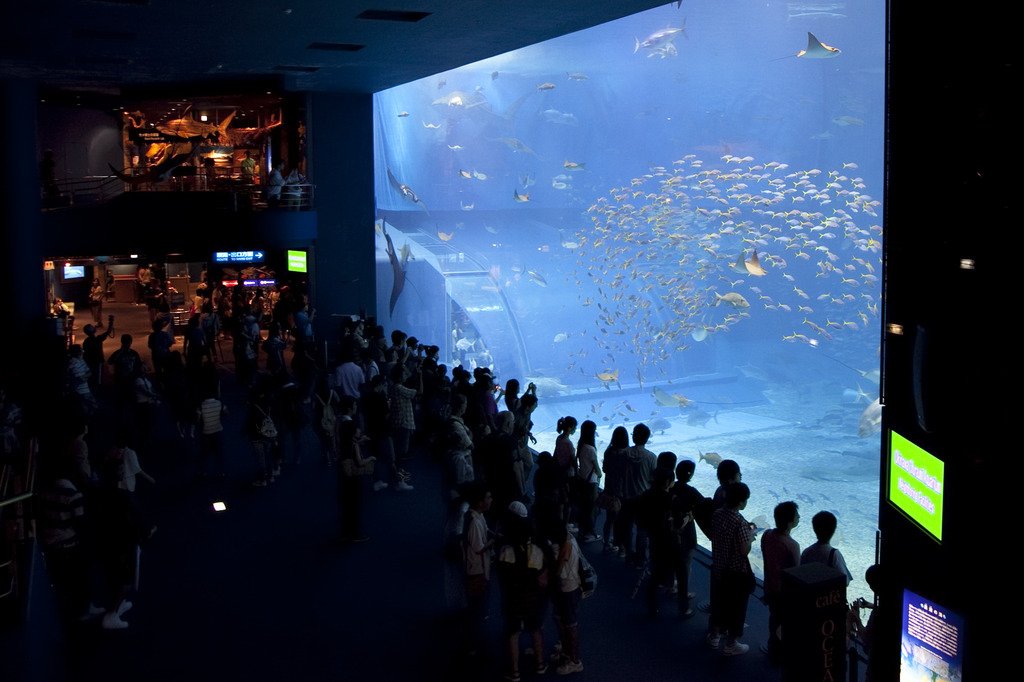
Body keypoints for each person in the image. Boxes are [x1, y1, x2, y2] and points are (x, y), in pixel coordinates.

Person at [497, 502, 549, 681]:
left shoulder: (505, 551)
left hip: (513, 600)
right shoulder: (536, 551)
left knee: (512, 633)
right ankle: (540, 664)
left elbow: (503, 577)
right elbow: (541, 575)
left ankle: (514, 671)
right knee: (536, 630)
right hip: (534, 601)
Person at [707, 482, 754, 656]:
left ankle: (714, 636)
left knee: (719, 603)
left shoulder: (717, 514)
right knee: (736, 607)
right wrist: (750, 538)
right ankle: (731, 644)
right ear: (742, 502)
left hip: (719, 567)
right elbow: (744, 550)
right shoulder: (740, 523)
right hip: (736, 573)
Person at [761, 501, 801, 659]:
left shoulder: (767, 535)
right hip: (785, 593)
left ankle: (773, 644)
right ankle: (779, 651)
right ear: (791, 521)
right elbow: (797, 572)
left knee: (775, 617)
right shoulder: (792, 545)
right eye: (797, 515)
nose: (799, 517)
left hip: (770, 586)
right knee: (785, 622)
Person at [669, 459, 706, 617]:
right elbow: (704, 506)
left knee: (672, 561)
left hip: (670, 533)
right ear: (690, 475)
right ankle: (683, 603)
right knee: (685, 565)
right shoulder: (691, 491)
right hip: (686, 534)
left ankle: (672, 586)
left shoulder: (671, 487)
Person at [461, 482, 493, 657]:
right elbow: (479, 548)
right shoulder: (474, 521)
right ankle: (471, 646)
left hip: (479, 570)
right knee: (475, 609)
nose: (491, 500)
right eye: (488, 497)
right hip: (476, 572)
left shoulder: (477, 516)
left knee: (477, 608)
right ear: (480, 502)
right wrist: (494, 542)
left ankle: (474, 642)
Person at [337, 396, 374, 542]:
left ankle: (347, 532)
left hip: (343, 471)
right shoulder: (353, 442)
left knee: (347, 505)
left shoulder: (340, 423)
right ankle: (355, 533)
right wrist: (371, 458)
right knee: (354, 504)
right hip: (353, 476)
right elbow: (359, 462)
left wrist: (359, 440)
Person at [550, 522, 584, 675]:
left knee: (570, 624)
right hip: (569, 586)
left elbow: (559, 568)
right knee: (560, 619)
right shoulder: (570, 538)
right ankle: (566, 652)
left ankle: (575, 661)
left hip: (568, 587)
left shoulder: (565, 545)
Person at [800, 511, 853, 585]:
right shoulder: (834, 553)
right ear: (834, 530)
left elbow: (801, 575)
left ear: (814, 529)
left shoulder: (806, 552)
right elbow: (845, 581)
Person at [575, 420, 601, 543]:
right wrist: (600, 474)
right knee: (591, 508)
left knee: (583, 507)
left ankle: (582, 531)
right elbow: (596, 468)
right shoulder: (591, 448)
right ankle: (590, 533)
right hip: (591, 482)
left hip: (582, 479)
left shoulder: (581, 445)